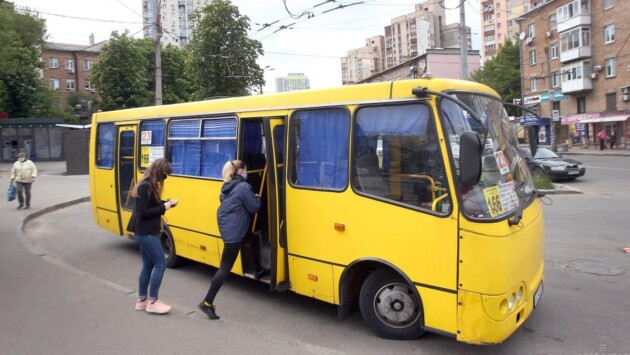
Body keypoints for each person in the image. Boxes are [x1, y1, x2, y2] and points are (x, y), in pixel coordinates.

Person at [198, 160, 261, 320]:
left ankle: (259, 269)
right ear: (240, 171)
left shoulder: (227, 185)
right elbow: (254, 207)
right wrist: (257, 197)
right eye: (245, 170)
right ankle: (206, 302)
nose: (247, 172)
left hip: (231, 228)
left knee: (252, 237)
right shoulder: (243, 187)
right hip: (234, 232)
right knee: (225, 267)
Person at [131, 158, 178, 314]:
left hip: (144, 232)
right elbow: (143, 213)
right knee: (160, 264)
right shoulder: (145, 187)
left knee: (148, 265)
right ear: (158, 171)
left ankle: (142, 301)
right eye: (164, 175)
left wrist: (166, 203)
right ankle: (153, 301)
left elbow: (150, 206)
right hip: (146, 232)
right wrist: (164, 207)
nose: (164, 179)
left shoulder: (148, 185)